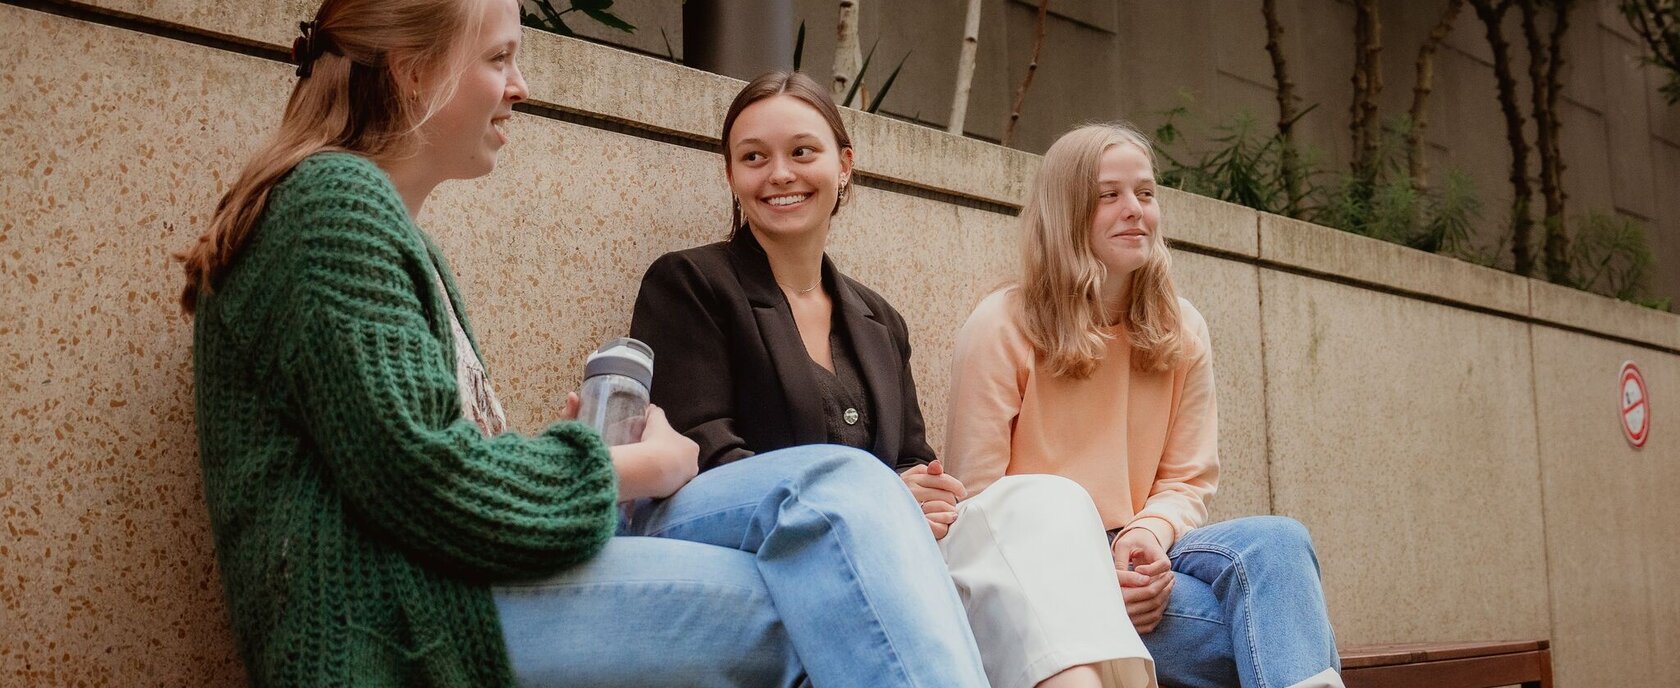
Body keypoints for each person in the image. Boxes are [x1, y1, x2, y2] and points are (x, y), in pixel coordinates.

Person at [176, 1, 989, 685]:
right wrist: (634, 465)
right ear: (412, 70)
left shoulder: (381, 227)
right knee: (812, 578)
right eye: (499, 58)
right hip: (393, 628)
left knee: (837, 521)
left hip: (444, 594)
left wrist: (573, 455)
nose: (520, 88)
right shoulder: (332, 206)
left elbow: (418, 466)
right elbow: (432, 485)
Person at [630, 71, 1155, 688]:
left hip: (889, 546)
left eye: (802, 151)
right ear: (731, 176)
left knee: (1048, 499)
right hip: (777, 539)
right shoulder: (692, 283)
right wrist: (878, 501)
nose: (779, 174)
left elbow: (913, 460)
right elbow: (702, 450)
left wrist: (924, 491)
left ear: (844, 164)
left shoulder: (877, 319)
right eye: (753, 158)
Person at [945, 122, 1345, 688]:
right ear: (1065, 211)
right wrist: (1090, 585)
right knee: (1283, 636)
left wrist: (1149, 536)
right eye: (1109, 195)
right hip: (1049, 576)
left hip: (1149, 555)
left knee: (1277, 540)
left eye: (1146, 193)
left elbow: (1187, 480)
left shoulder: (1180, 327)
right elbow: (976, 508)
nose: (1135, 209)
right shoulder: (1002, 326)